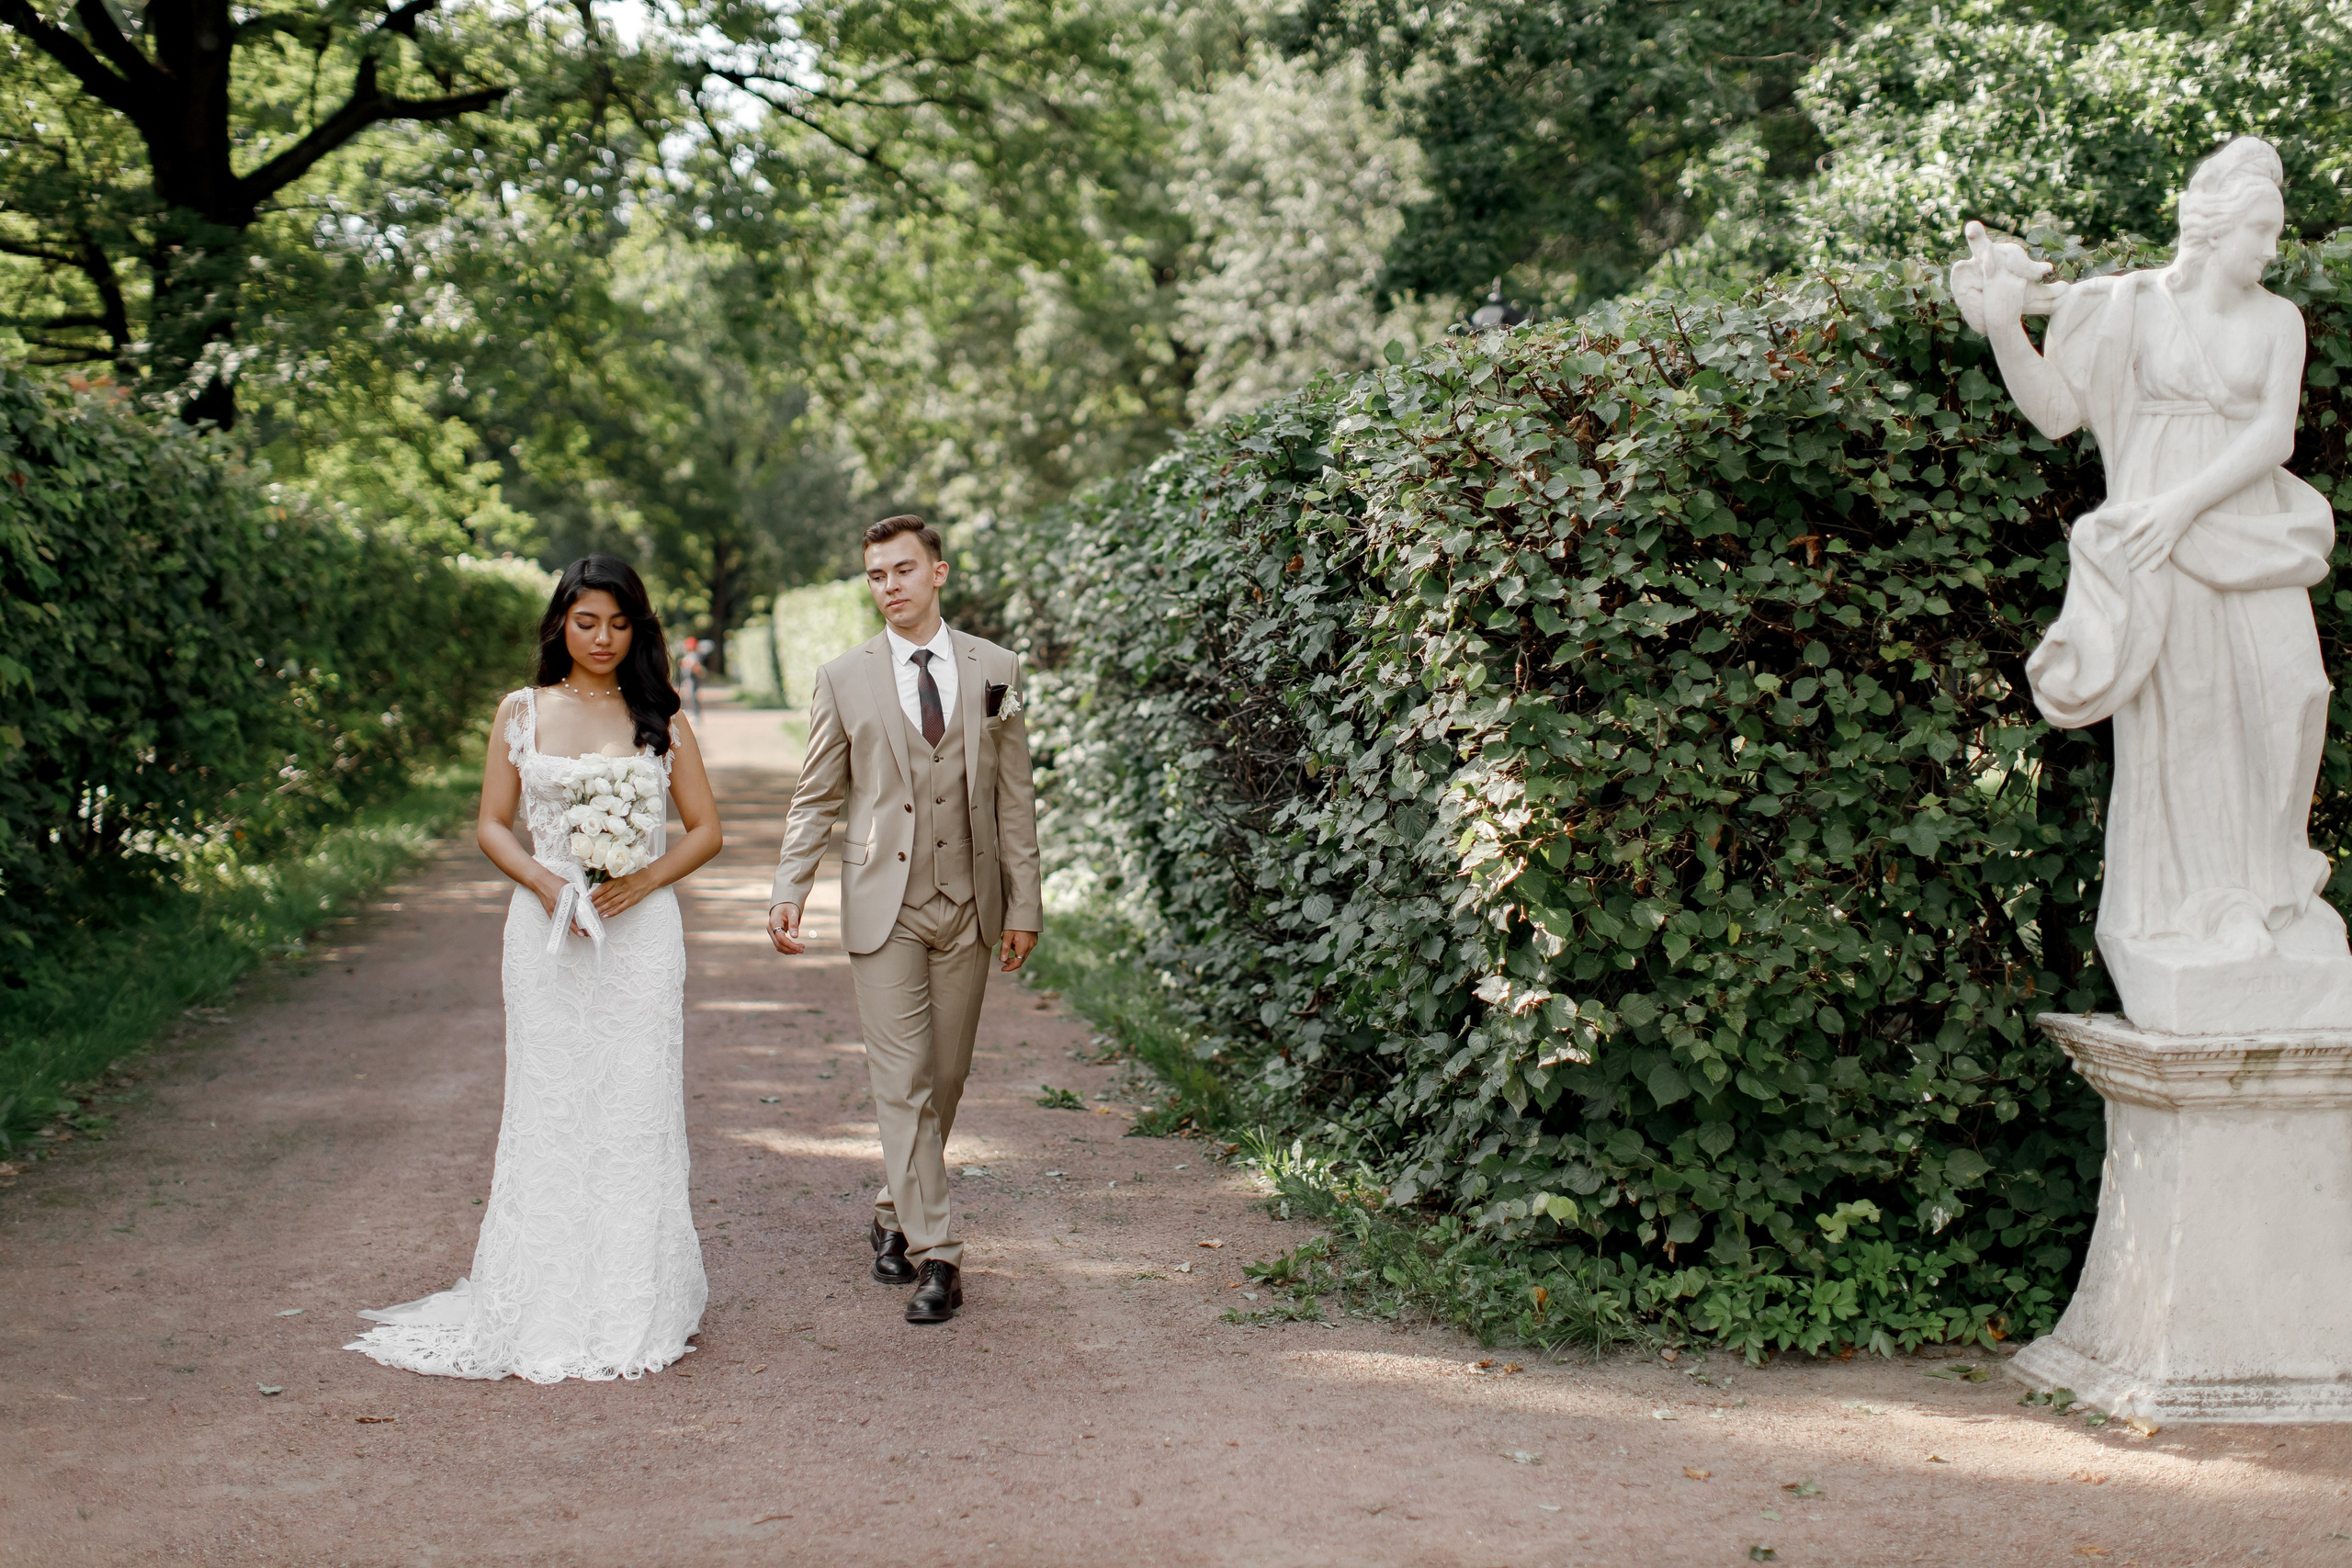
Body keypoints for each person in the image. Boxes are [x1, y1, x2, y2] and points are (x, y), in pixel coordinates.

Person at [1958, 136, 2341, 1025]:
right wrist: (2007, 323)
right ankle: (2211, 908)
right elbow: (2057, 411)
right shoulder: (2125, 307)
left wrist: (2181, 506)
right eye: (2259, 231)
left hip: (2242, 528)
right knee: (2191, 722)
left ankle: (2276, 892)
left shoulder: (2278, 321)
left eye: (2275, 232)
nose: (2270, 249)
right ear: (2212, 229)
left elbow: (2273, 437)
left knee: (2289, 696)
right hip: (2154, 548)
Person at [347, 555, 725, 1381]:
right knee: (550, 1102)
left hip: (640, 934)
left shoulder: (660, 713)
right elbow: (492, 822)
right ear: (561, 623)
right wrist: (548, 884)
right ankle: (544, 1302)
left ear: (638, 630)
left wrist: (640, 881)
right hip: (546, 928)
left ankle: (634, 1300)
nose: (603, 637)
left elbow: (705, 829)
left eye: (619, 623)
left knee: (634, 1105)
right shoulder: (520, 710)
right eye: (587, 621)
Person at [766, 515, 1041, 1324]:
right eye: (876, 575)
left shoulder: (997, 668)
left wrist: (1024, 902)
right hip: (883, 905)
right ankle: (939, 1253)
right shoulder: (842, 677)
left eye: (903, 570)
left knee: (946, 1076)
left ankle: (893, 1210)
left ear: (938, 572)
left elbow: (1015, 796)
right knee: (902, 1079)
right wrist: (790, 885)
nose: (889, 585)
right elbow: (816, 794)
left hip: (971, 902)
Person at [678, 637, 706, 721]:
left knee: (693, 697)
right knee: (689, 697)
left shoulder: (694, 655)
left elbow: (695, 666)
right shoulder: (690, 655)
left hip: (692, 679)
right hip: (688, 679)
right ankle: (693, 714)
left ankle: (696, 715)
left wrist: (685, 664)